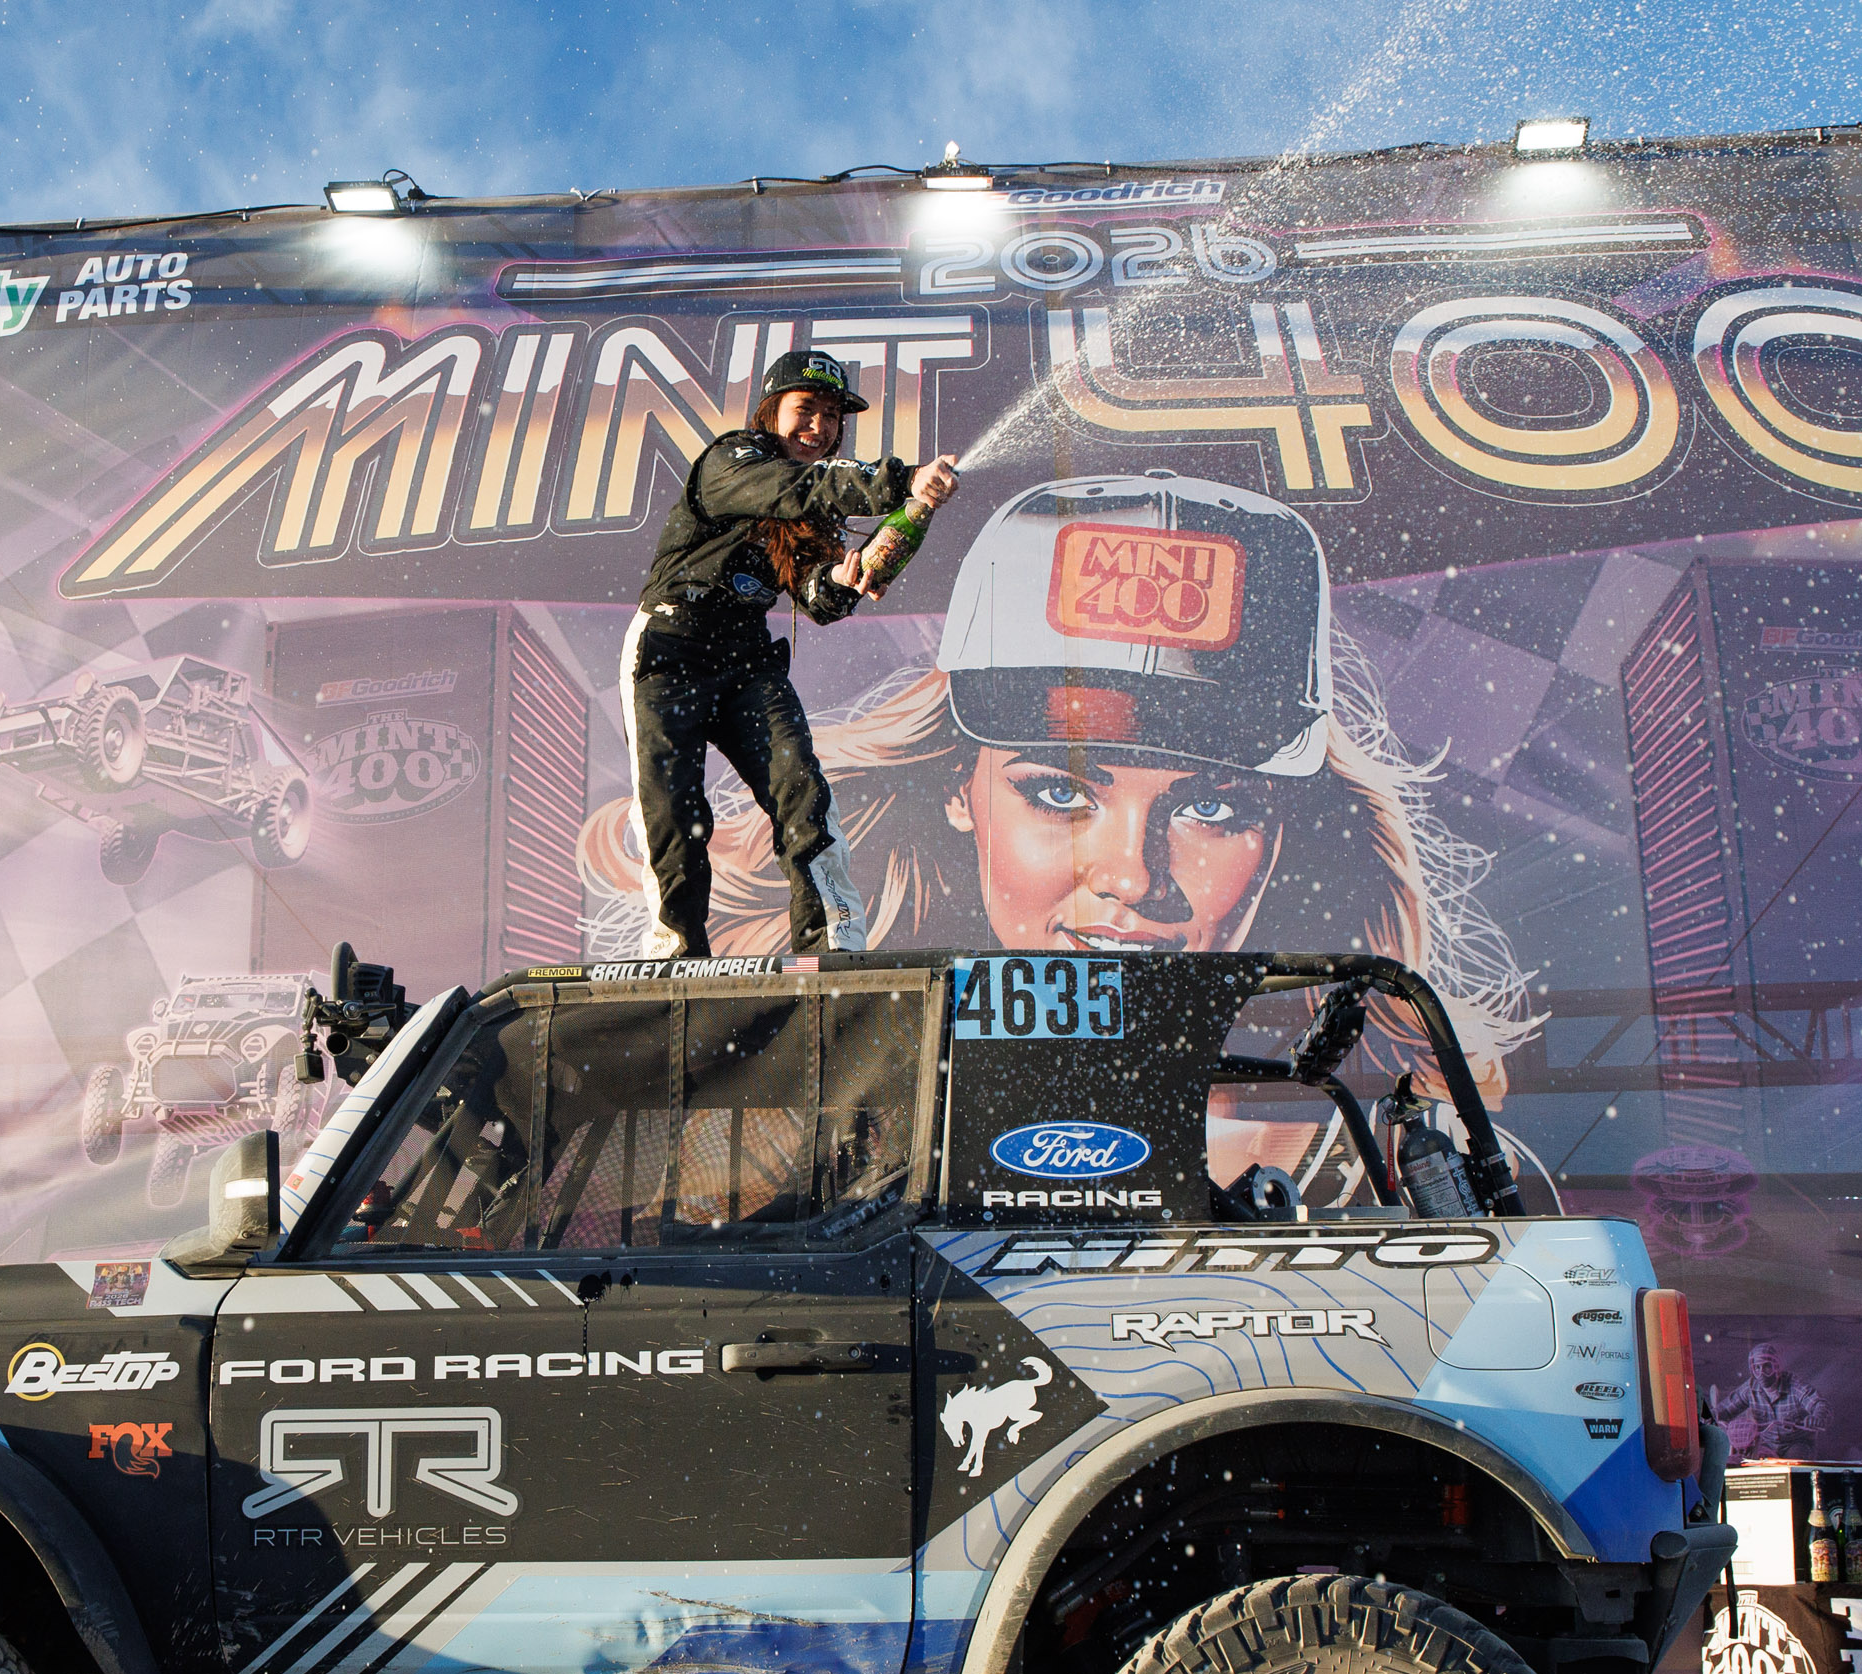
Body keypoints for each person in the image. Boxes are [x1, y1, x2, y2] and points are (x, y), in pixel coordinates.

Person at [582, 468, 1534, 1187]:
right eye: (1064, 793)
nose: (1131, 879)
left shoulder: (1419, 1165)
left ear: (1283, 834)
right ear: (960, 787)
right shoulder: (775, 1101)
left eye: (1211, 806)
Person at [622, 348, 961, 956]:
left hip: (747, 661)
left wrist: (845, 579)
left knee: (802, 793)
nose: (820, 427)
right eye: (806, 410)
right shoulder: (734, 458)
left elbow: (816, 599)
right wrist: (901, 479)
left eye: (833, 416)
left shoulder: (809, 508)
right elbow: (791, 489)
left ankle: (832, 942)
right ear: (771, 412)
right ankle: (676, 953)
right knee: (674, 810)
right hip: (672, 647)